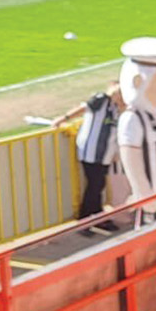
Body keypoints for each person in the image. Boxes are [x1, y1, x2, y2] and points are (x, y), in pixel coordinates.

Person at [57, 81, 123, 232]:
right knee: (95, 185)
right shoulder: (101, 101)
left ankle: (95, 218)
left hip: (105, 154)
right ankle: (87, 219)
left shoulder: (117, 109)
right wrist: (63, 118)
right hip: (91, 152)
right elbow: (84, 107)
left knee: (98, 185)